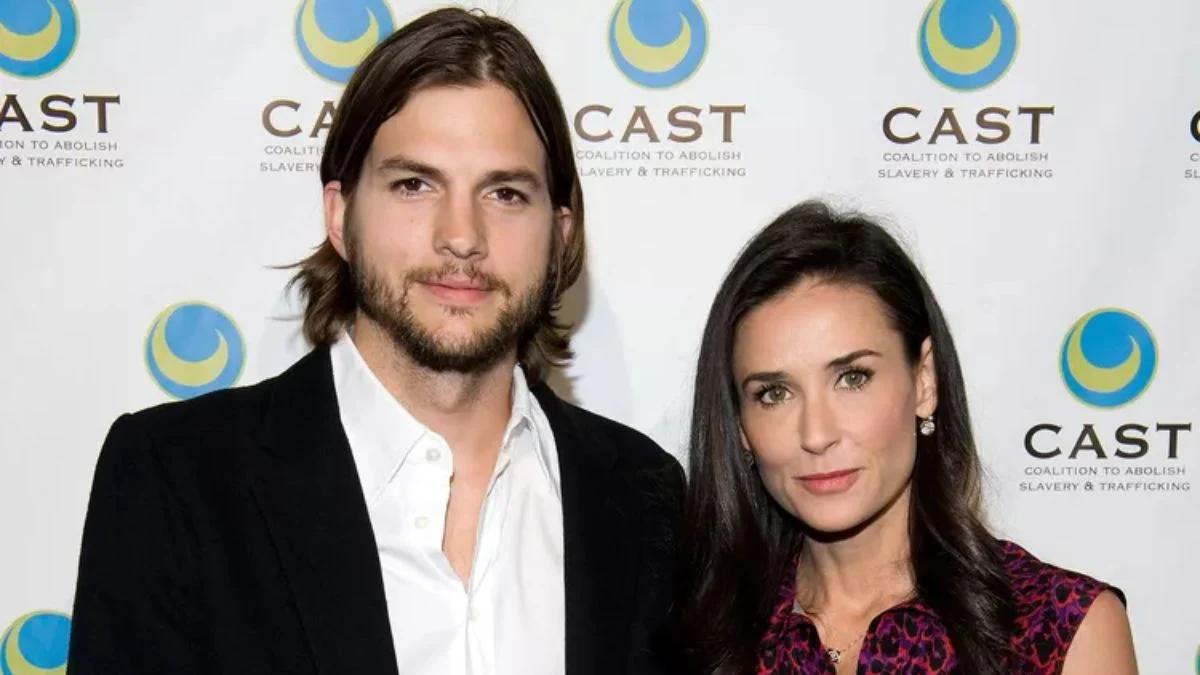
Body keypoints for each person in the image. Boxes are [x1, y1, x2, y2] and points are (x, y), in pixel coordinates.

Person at [67, 8, 684, 675]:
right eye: (414, 185)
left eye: (505, 193)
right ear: (340, 215)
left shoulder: (645, 496)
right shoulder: (177, 480)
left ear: (560, 235)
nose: (461, 236)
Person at [675, 200, 1137, 674]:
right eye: (774, 393)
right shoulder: (697, 638)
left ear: (924, 382)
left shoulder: (1058, 629)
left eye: (853, 378)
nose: (816, 434)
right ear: (740, 427)